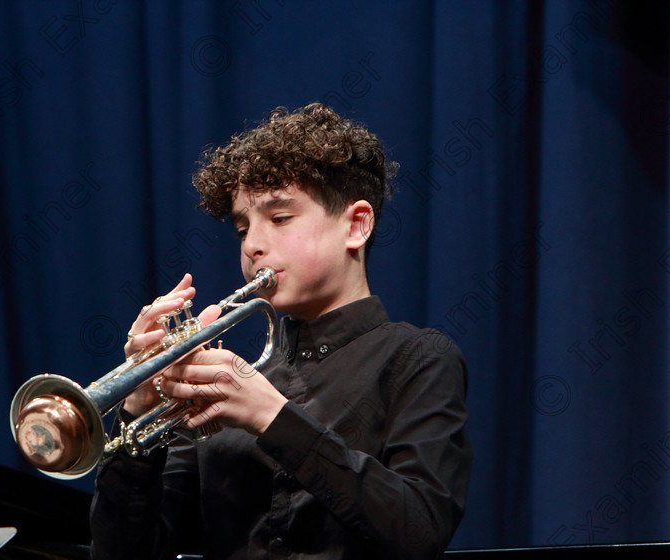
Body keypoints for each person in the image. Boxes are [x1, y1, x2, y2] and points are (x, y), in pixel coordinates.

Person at [90, 103, 472, 559]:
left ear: (357, 225)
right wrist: (137, 410)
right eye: (241, 228)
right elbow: (122, 554)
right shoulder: (227, 385)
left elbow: (421, 530)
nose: (252, 244)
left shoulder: (418, 358)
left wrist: (274, 418)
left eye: (280, 218)